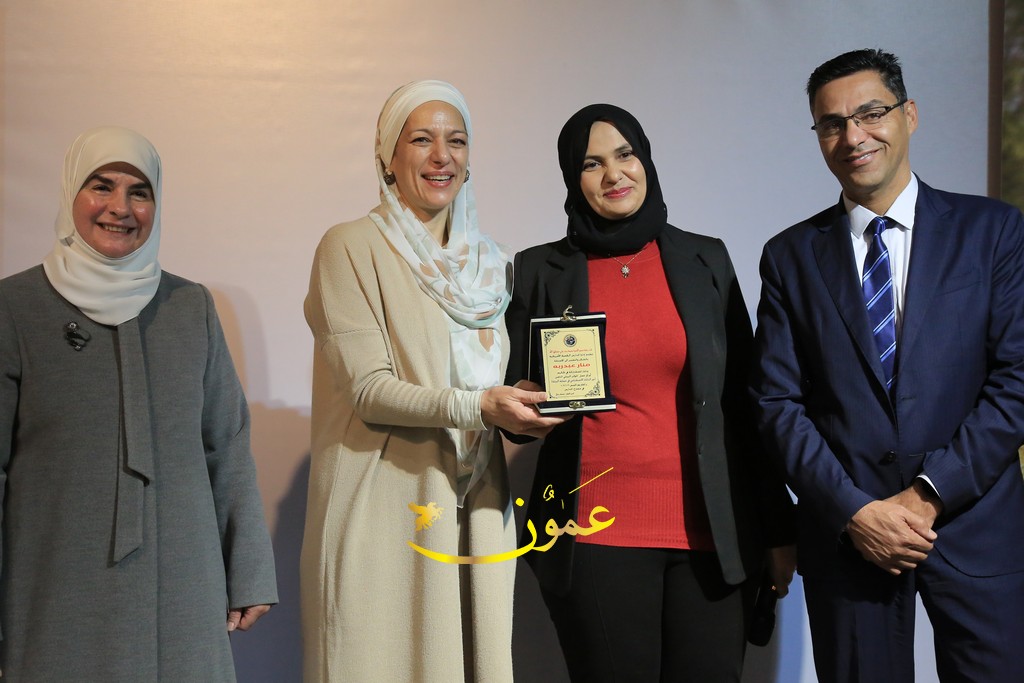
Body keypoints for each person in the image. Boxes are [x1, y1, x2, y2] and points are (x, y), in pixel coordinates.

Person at [751, 48, 1024, 682]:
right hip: (851, 539)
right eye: (832, 123)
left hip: (976, 526)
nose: (853, 137)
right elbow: (776, 403)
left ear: (909, 115)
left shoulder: (993, 231)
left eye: (871, 114)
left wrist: (929, 495)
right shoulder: (790, 256)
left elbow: (1016, 380)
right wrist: (854, 511)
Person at [504, 104, 797, 682]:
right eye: (592, 163)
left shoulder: (705, 259)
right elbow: (512, 407)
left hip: (712, 538)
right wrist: (522, 406)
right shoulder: (541, 269)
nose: (614, 174)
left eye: (625, 154)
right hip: (593, 539)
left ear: (646, 160)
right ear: (572, 178)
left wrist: (777, 528)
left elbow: (745, 405)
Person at [301, 80, 562, 683]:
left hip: (476, 505)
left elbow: (495, 385)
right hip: (381, 506)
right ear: (388, 157)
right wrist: (483, 406)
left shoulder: (496, 266)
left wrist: (533, 405)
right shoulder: (350, 248)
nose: (442, 156)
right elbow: (369, 390)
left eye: (457, 141)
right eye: (421, 139)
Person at [0, 126, 278, 681]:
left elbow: (226, 445)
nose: (120, 208)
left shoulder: (190, 307)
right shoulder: (15, 307)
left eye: (140, 192)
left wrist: (248, 569)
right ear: (71, 193)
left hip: (183, 583)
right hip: (55, 585)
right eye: (101, 186)